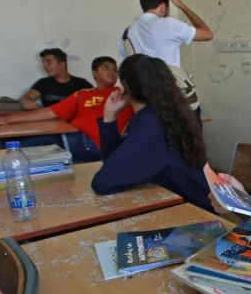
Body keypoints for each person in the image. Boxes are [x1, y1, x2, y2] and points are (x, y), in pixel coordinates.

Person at [91, 54, 213, 212]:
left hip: (196, 212)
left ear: (125, 87)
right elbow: (114, 162)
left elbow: (103, 183)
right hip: (187, 202)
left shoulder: (152, 125)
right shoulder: (161, 113)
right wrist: (109, 116)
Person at [0, 57, 133, 162]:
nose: (112, 72)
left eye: (115, 69)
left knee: (20, 150)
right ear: (94, 73)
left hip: (93, 143)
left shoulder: (124, 95)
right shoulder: (82, 94)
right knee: (16, 144)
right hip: (69, 137)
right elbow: (49, 112)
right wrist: (6, 120)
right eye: (106, 68)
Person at [121, 0, 214, 117]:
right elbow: (207, 34)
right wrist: (182, 6)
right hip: (173, 99)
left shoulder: (129, 32)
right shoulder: (168, 25)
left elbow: (124, 67)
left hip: (146, 101)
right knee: (189, 135)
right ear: (163, 7)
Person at [18, 48, 92, 109]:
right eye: (43, 62)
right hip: (52, 123)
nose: (45, 66)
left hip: (76, 123)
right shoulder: (43, 83)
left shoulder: (81, 83)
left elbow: (97, 100)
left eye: (49, 62)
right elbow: (25, 98)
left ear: (62, 64)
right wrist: (26, 102)